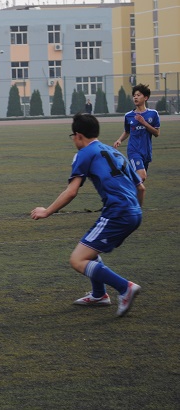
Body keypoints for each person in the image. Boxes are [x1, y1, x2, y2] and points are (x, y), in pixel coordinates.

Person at [31, 113, 144, 317]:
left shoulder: (85, 153)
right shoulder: (114, 151)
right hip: (134, 211)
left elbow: (71, 191)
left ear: (78, 135)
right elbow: (141, 188)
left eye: (72, 136)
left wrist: (46, 211)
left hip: (118, 212)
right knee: (89, 248)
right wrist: (134, 213)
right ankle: (99, 295)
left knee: (77, 260)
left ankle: (124, 288)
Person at [113, 83, 160, 183]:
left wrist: (144, 123)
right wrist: (119, 140)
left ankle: (125, 186)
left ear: (146, 98)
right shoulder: (128, 116)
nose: (135, 97)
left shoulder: (153, 114)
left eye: (138, 95)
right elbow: (127, 131)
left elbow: (156, 133)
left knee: (139, 180)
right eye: (134, 95)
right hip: (134, 151)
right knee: (142, 176)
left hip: (146, 151)